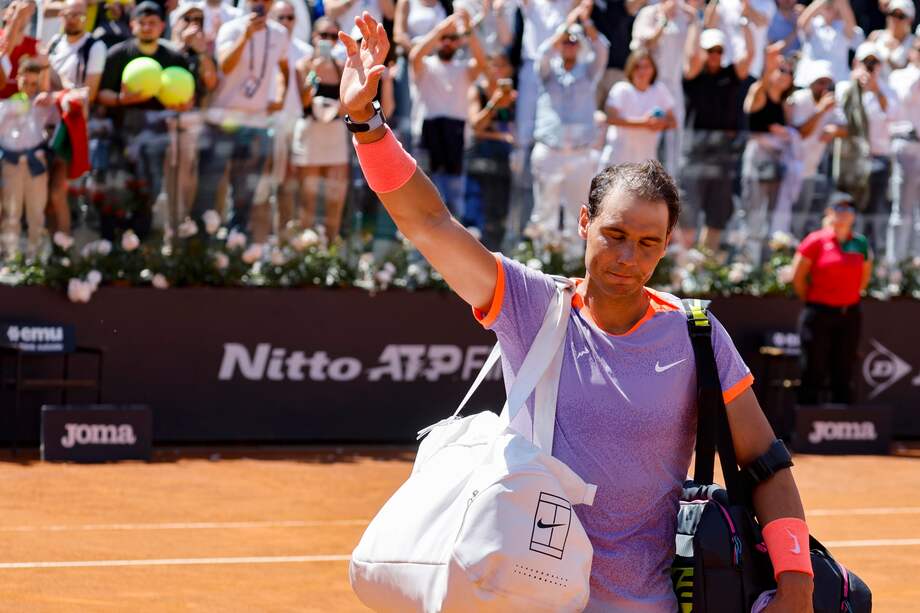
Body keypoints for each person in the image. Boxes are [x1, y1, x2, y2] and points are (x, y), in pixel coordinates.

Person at [339, 14, 816, 612]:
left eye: (648, 244)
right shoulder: (531, 305)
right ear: (585, 222)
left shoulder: (696, 333)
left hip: (651, 603)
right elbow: (429, 223)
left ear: (667, 244)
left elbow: (764, 460)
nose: (627, 257)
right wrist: (367, 124)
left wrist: (796, 578)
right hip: (526, 599)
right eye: (614, 234)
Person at [191, 0, 288, 237]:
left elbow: (284, 68)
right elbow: (225, 65)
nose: (260, 3)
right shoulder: (232, 28)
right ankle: (199, 249)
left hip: (256, 123)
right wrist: (245, 36)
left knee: (245, 195)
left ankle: (234, 252)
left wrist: (280, 96)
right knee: (208, 190)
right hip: (223, 121)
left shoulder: (279, 33)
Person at [96, 0, 191, 240]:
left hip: (158, 136)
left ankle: (142, 251)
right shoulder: (118, 54)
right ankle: (112, 247)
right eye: (142, 23)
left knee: (149, 191)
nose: (147, 27)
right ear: (132, 25)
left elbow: (188, 98)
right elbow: (101, 95)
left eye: (153, 23)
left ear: (162, 26)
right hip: (121, 133)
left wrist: (182, 105)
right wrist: (121, 100)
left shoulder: (174, 57)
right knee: (115, 189)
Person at [528, 0, 608, 257]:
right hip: (550, 149)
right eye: (566, 41)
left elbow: (602, 48)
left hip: (580, 152)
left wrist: (584, 21)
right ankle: (544, 260)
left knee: (579, 210)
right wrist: (564, 27)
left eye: (574, 41)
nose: (569, 45)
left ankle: (573, 262)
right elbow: (541, 53)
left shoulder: (588, 72)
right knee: (545, 210)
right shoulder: (547, 72)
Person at [791, 192, 872, 405]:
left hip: (849, 314)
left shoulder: (860, 243)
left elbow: (864, 278)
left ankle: (841, 425)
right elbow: (798, 277)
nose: (844, 214)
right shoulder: (815, 240)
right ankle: (807, 423)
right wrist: (815, 300)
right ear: (829, 212)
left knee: (844, 370)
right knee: (813, 369)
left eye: (849, 209)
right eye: (839, 208)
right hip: (819, 313)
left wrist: (847, 297)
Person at [409, 10, 488, 220]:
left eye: (452, 39)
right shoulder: (425, 66)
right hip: (428, 133)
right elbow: (414, 55)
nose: (447, 43)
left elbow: (482, 62)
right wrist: (440, 29)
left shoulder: (463, 69)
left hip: (455, 135)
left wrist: (467, 31)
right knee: (423, 193)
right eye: (444, 39)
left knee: (454, 197)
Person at [680, 25, 751, 253]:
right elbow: (690, 56)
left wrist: (746, 23)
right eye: (710, 50)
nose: (714, 55)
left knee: (718, 211)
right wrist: (693, 22)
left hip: (722, 156)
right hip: (695, 154)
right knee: (689, 209)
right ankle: (684, 260)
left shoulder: (730, 75)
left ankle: (706, 264)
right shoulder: (693, 76)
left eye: (719, 50)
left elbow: (748, 56)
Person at [45, 0, 107, 241]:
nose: (73, 19)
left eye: (79, 15)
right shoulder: (54, 44)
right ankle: (52, 249)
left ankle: (65, 250)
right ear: (62, 15)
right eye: (69, 14)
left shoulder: (94, 46)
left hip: (72, 129)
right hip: (45, 125)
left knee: (58, 192)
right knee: (46, 194)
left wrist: (60, 84)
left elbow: (87, 94)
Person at [739, 44, 802, 262]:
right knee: (753, 214)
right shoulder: (759, 92)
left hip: (778, 163)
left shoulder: (785, 104)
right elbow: (762, 83)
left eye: (790, 72)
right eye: (781, 70)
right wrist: (770, 60)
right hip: (757, 161)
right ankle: (747, 265)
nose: (786, 76)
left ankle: (767, 266)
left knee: (772, 217)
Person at [292, 17, 350, 239]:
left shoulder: (342, 67)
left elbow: (347, 108)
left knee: (335, 197)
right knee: (308, 196)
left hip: (334, 134)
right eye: (323, 35)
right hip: (310, 133)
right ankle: (306, 251)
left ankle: (330, 250)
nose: (328, 40)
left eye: (333, 36)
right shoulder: (304, 65)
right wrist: (314, 73)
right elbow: (305, 102)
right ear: (313, 37)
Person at [833, 42, 894, 251]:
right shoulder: (845, 88)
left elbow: (893, 117)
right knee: (848, 211)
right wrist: (855, 86)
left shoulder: (887, 89)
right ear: (855, 63)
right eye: (865, 62)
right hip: (850, 164)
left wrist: (875, 89)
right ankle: (846, 255)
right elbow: (841, 121)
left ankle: (871, 260)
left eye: (874, 62)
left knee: (875, 214)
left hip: (879, 161)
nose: (869, 67)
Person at [167, 0, 218, 228]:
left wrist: (201, 52)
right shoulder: (165, 49)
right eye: (187, 19)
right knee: (169, 174)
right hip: (164, 121)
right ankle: (169, 224)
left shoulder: (204, 53)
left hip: (193, 120)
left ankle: (184, 220)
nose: (193, 25)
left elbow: (211, 81)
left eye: (199, 20)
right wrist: (181, 45)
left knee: (188, 171)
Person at [0, 58, 58, 259]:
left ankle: (36, 258)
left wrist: (49, 100)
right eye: (26, 83)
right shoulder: (7, 104)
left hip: (37, 163)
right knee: (11, 213)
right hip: (12, 163)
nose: (29, 88)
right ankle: (10, 257)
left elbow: (58, 125)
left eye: (34, 84)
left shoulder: (45, 104)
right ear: (18, 79)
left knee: (36, 213)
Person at [629, 0, 695, 176]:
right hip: (649, 86)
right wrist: (664, 18)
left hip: (675, 87)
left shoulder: (685, 15)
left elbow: (692, 58)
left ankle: (671, 187)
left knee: (675, 141)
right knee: (648, 138)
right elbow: (641, 48)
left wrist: (695, 21)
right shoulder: (649, 13)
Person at [787, 60, 847, 234]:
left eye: (828, 83)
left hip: (810, 170)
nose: (825, 87)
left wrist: (835, 130)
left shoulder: (831, 102)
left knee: (801, 217)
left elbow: (847, 129)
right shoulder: (800, 99)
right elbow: (801, 133)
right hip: (790, 169)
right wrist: (820, 110)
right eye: (821, 82)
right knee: (784, 216)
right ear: (811, 83)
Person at [269, 0, 312, 234]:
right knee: (266, 184)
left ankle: (287, 236)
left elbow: (308, 92)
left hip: (297, 123)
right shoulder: (263, 46)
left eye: (290, 17)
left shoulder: (305, 51)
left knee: (292, 183)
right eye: (280, 17)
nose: (286, 22)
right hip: (266, 123)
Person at [466, 52, 516, 251]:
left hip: (503, 163)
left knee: (497, 218)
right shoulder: (477, 91)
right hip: (479, 161)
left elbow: (514, 131)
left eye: (502, 66)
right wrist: (494, 102)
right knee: (474, 217)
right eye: (494, 65)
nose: (498, 71)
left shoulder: (514, 96)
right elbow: (476, 126)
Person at [600, 48, 675, 168]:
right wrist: (644, 123)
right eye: (637, 67)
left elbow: (673, 122)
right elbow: (610, 118)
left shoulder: (660, 90)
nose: (642, 71)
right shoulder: (621, 89)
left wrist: (660, 123)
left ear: (653, 69)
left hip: (645, 165)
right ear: (631, 69)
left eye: (646, 66)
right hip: (617, 163)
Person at [886, 36, 920, 263]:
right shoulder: (899, 76)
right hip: (907, 145)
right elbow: (907, 97)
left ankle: (917, 268)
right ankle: (895, 267)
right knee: (902, 210)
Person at [795, 0, 862, 87]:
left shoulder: (844, 27)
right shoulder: (814, 24)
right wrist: (822, 1)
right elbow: (801, 24)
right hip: (809, 82)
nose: (830, 7)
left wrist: (841, 2)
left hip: (837, 83)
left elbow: (851, 27)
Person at [866, 0, 915, 76]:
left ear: (910, 20)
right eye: (892, 14)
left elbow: (909, 75)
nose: (895, 19)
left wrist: (887, 58)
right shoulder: (875, 36)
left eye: (900, 16)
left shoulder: (914, 43)